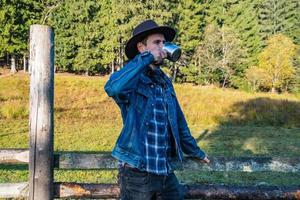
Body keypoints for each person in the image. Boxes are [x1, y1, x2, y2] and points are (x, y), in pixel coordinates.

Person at [104, 19, 209, 200]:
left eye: (164, 42)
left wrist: (195, 151)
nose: (162, 47)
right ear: (141, 47)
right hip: (137, 172)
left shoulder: (165, 81)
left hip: (164, 170)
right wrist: (147, 58)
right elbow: (113, 88)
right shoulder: (132, 78)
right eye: (157, 42)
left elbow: (179, 122)